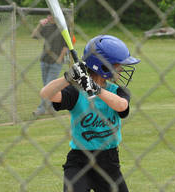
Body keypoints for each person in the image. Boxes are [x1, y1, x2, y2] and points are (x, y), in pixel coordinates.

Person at [40, 35, 140, 191]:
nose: (121, 69)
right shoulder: (76, 92)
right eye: (118, 65)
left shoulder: (117, 91)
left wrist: (96, 89)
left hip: (109, 162)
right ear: (103, 67)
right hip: (79, 161)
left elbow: (121, 106)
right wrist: (68, 78)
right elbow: (46, 94)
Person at [31, 15, 69, 116]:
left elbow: (66, 46)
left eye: (52, 15)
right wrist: (40, 24)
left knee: (48, 86)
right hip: (44, 60)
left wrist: (59, 59)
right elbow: (34, 35)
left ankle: (41, 109)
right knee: (46, 86)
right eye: (49, 15)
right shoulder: (47, 27)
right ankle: (52, 108)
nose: (50, 17)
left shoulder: (63, 28)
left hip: (55, 63)